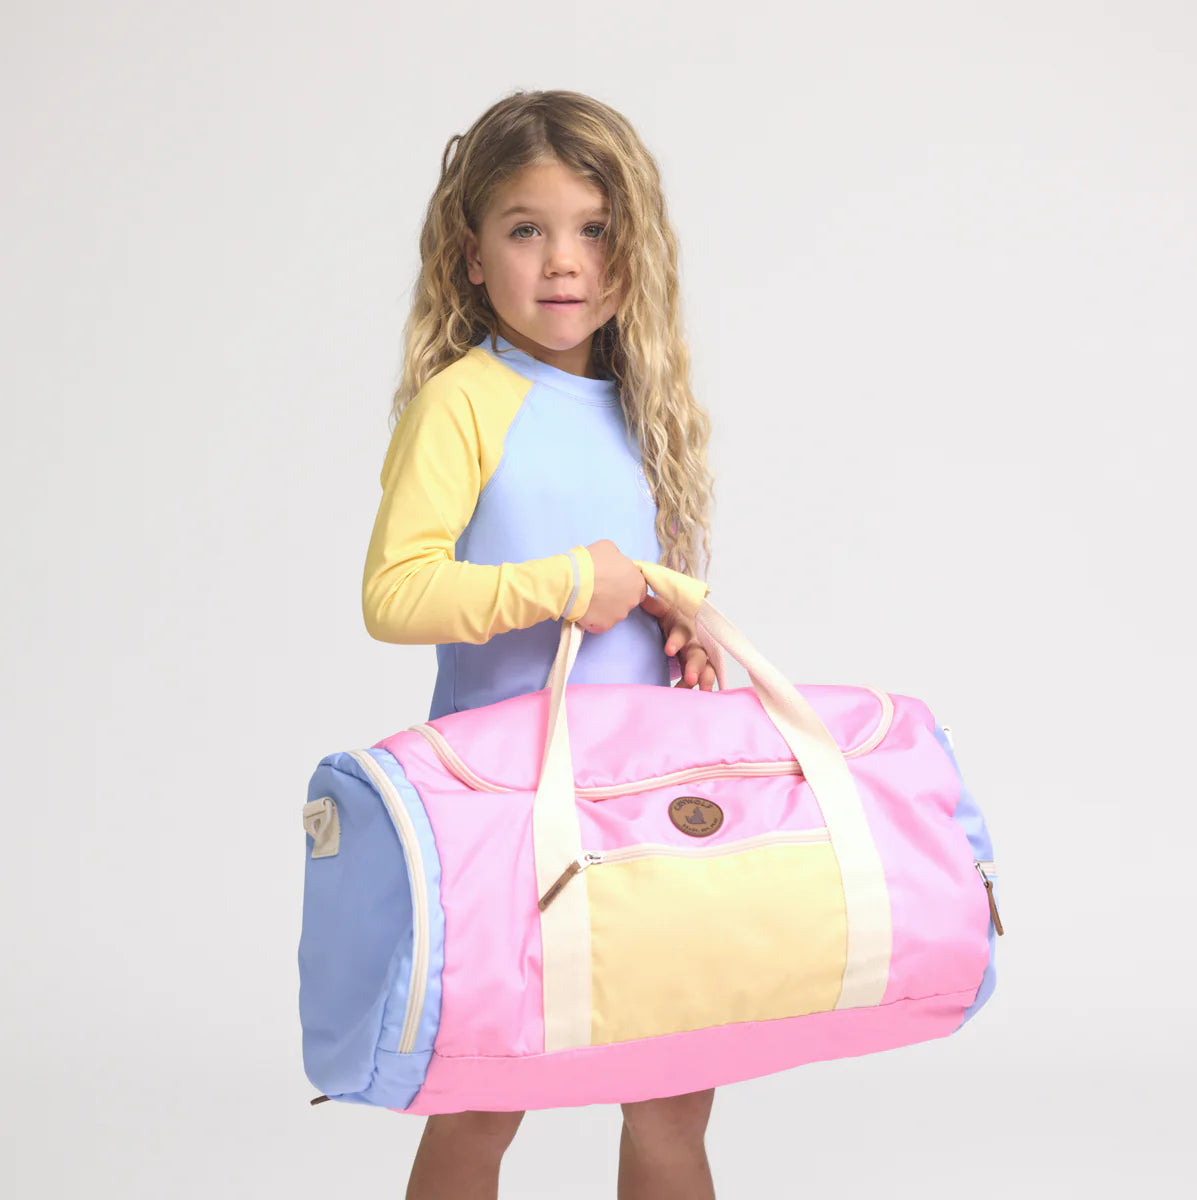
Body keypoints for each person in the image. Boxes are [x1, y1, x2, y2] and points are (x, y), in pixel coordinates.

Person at [361, 88, 724, 1200]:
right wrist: (571, 583)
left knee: (673, 1104)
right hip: (506, 812)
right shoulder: (465, 403)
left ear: (633, 248)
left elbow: (624, 580)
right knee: (483, 1100)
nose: (564, 260)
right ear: (472, 256)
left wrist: (679, 614)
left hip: (641, 802)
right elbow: (396, 594)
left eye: (594, 229)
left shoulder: (645, 407)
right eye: (527, 229)